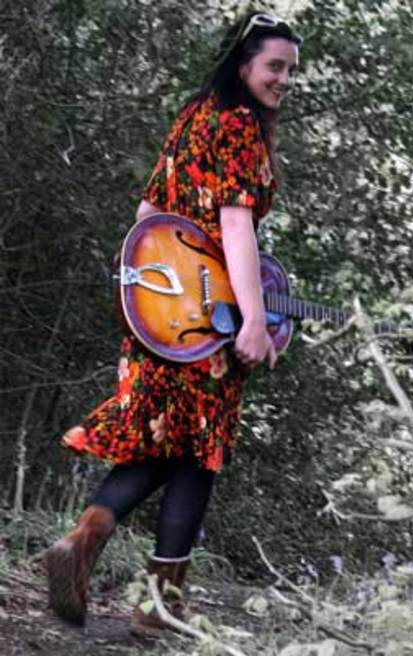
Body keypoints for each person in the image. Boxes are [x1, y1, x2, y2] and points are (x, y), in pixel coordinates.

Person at [46, 11, 301, 636]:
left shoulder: (195, 116)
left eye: (291, 70)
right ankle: (159, 607)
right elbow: (236, 227)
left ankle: (86, 542)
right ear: (243, 63)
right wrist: (252, 321)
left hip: (162, 309)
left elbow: (148, 212)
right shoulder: (238, 124)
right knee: (198, 454)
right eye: (275, 66)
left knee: (170, 443)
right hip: (202, 320)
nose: (284, 79)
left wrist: (154, 290)